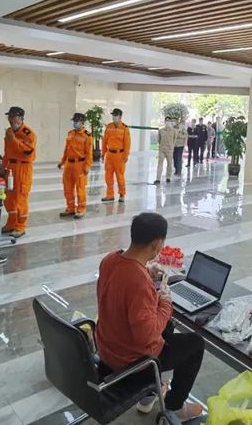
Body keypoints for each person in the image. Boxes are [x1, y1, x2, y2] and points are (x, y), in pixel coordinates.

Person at [96, 212, 205, 422]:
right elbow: (147, 335)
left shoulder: (109, 260)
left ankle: (149, 395)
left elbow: (124, 284)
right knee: (195, 344)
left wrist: (146, 271)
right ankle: (175, 407)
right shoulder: (138, 281)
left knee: (168, 327)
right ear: (157, 244)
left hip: (108, 348)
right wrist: (165, 301)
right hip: (132, 362)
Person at [1, 107, 37, 238]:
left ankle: (21, 226)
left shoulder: (29, 133)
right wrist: (2, 167)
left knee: (20, 198)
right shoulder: (9, 132)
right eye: (9, 117)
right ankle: (11, 223)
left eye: (13, 117)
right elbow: (7, 152)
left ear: (21, 118)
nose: (11, 120)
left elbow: (28, 151)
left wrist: (14, 140)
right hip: (10, 168)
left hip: (23, 169)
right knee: (9, 198)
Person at [58, 113, 93, 219]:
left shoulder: (87, 136)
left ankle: (81, 209)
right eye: (74, 121)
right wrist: (62, 161)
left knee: (80, 188)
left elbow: (89, 153)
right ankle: (70, 208)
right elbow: (66, 150)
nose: (75, 123)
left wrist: (87, 166)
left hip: (80, 165)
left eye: (76, 121)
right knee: (67, 188)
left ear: (82, 122)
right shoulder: (70, 133)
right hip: (69, 164)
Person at [101, 108, 130, 202]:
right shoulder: (109, 126)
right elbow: (104, 141)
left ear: (120, 116)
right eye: (113, 115)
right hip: (109, 155)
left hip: (119, 155)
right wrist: (103, 153)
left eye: (116, 115)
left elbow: (127, 144)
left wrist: (126, 155)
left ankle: (122, 194)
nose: (114, 117)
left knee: (120, 176)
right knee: (108, 176)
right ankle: (110, 195)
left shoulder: (125, 128)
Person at [154, 117, 177, 184]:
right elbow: (158, 139)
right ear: (164, 122)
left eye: (169, 121)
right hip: (162, 150)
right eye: (166, 121)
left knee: (169, 164)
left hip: (169, 150)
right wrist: (162, 145)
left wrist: (171, 147)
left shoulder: (174, 131)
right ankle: (158, 179)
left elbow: (174, 140)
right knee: (160, 164)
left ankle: (168, 177)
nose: (167, 122)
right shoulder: (161, 130)